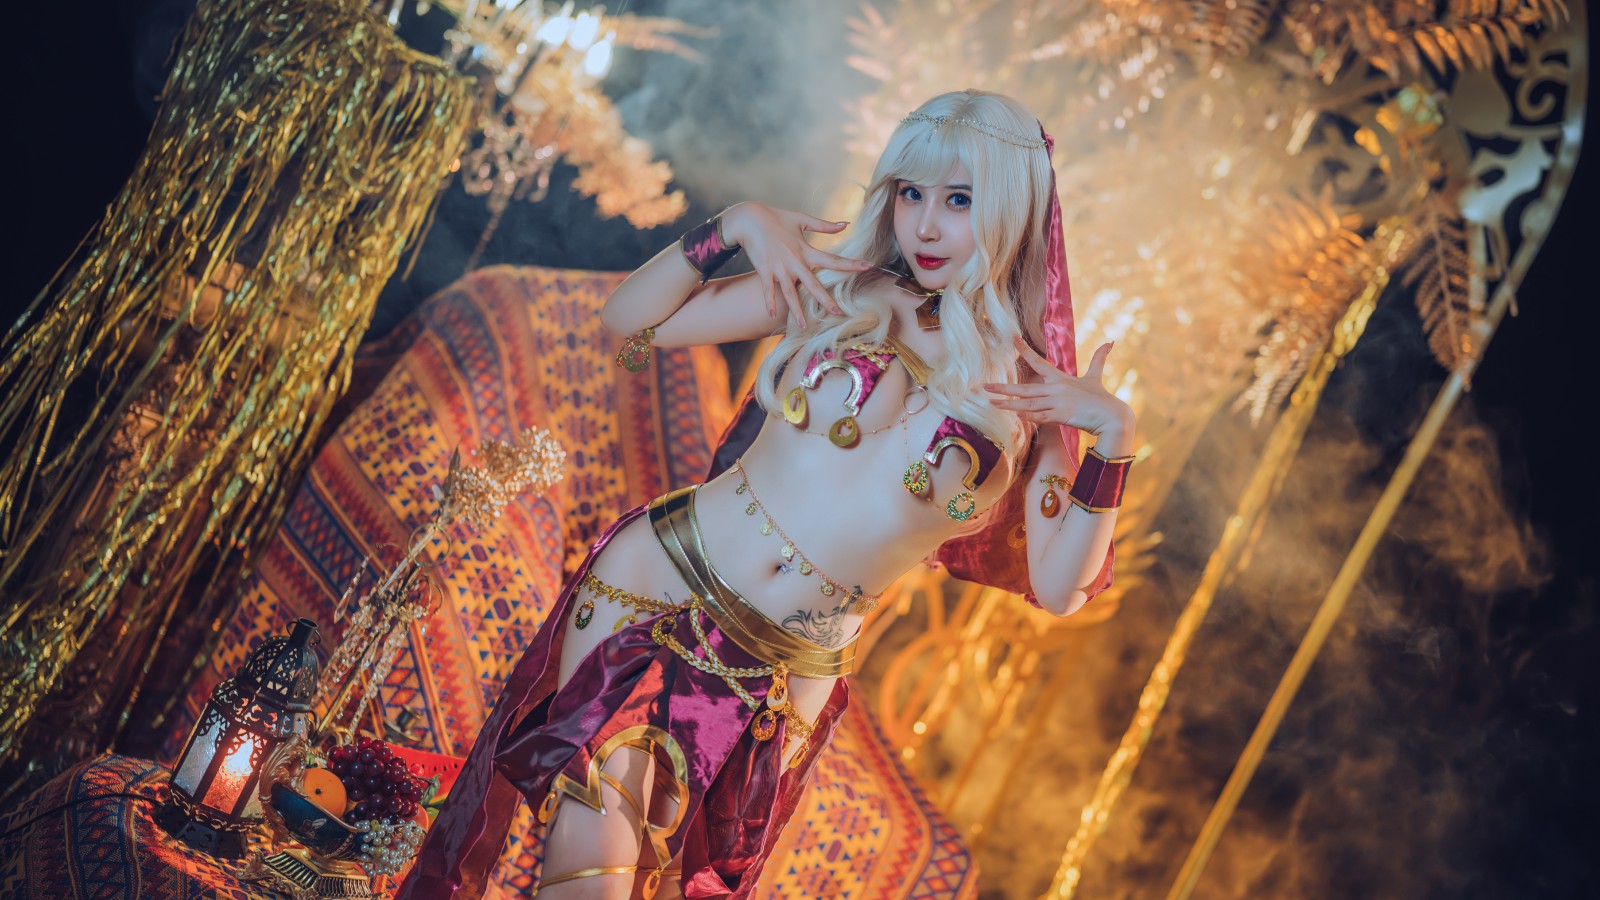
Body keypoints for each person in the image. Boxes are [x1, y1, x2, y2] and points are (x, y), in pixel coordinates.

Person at [398, 88, 1135, 900]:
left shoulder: (1036, 397)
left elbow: (1061, 588)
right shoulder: (836, 288)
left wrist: (1114, 440)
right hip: (659, 587)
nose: (925, 226)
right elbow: (631, 323)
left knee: (657, 883)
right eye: (909, 194)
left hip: (785, 677)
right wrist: (732, 227)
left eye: (958, 201)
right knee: (590, 863)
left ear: (1011, 209)